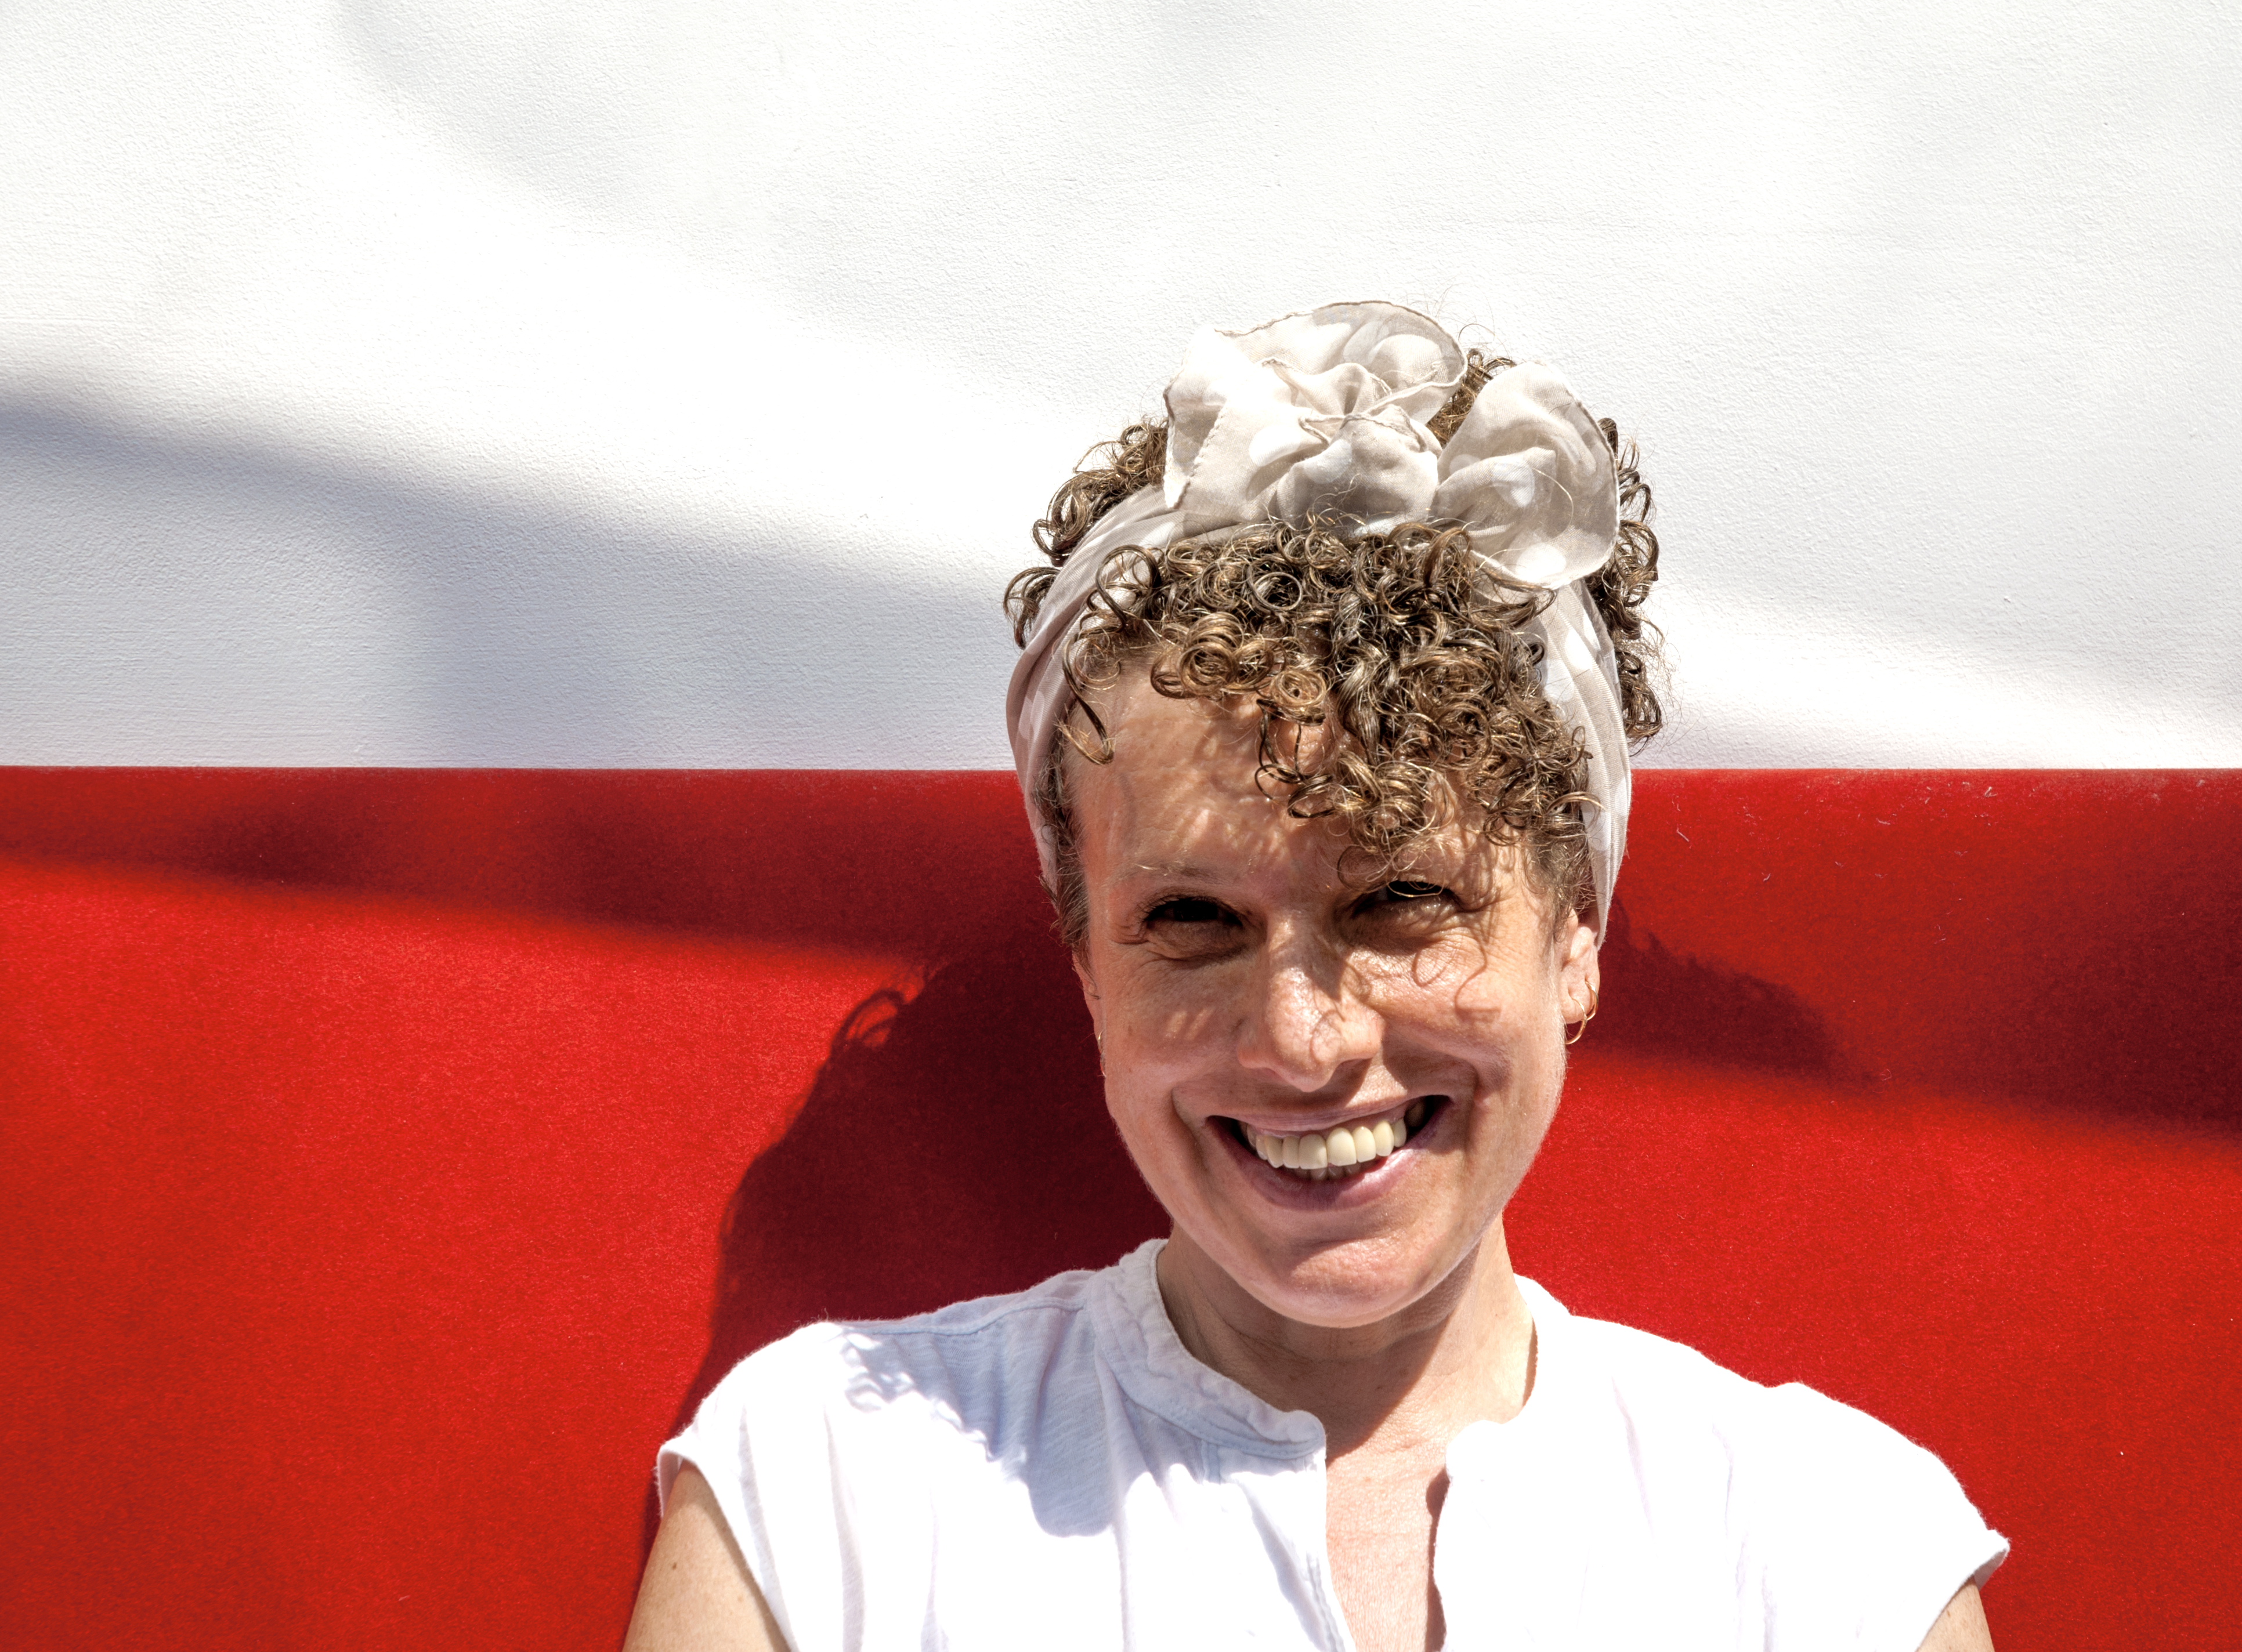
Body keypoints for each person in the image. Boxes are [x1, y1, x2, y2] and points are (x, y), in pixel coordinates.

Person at [624, 302, 2006, 1651]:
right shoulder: (826, 1497)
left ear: (1573, 932)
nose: (1298, 1039)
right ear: (1088, 963)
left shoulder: (1833, 1561)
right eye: (1191, 918)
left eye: (1400, 900)